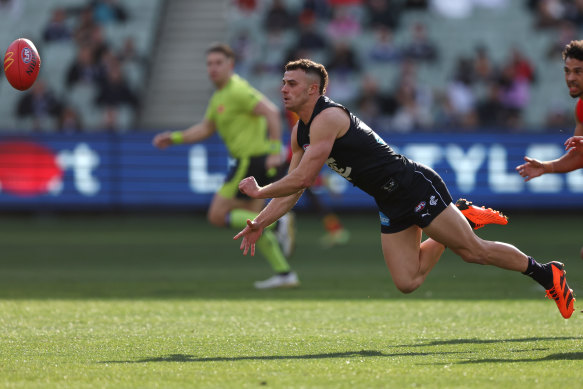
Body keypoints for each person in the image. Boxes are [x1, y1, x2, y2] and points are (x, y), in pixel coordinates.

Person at [234, 59, 575, 319]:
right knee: (408, 281)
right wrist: (262, 221)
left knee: (473, 252)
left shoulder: (328, 118)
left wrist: (260, 190)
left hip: (412, 186)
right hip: (389, 198)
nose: (283, 88)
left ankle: (546, 273)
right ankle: (464, 217)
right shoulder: (300, 133)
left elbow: (303, 180)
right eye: (283, 82)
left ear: (313, 90)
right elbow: (293, 191)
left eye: (291, 83)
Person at [153, 43, 297, 290]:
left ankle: (278, 222)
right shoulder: (219, 96)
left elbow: (272, 112)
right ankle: (285, 274)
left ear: (230, 65)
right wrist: (174, 138)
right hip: (251, 161)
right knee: (252, 223)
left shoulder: (237, 90)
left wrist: (275, 150)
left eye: (218, 63)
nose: (213, 68)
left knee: (217, 215)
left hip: (250, 161)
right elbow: (206, 128)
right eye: (209, 64)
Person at [516, 39, 583, 259]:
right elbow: (579, 154)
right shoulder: (581, 108)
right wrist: (546, 167)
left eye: (578, 71)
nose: (570, 78)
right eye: (567, 71)